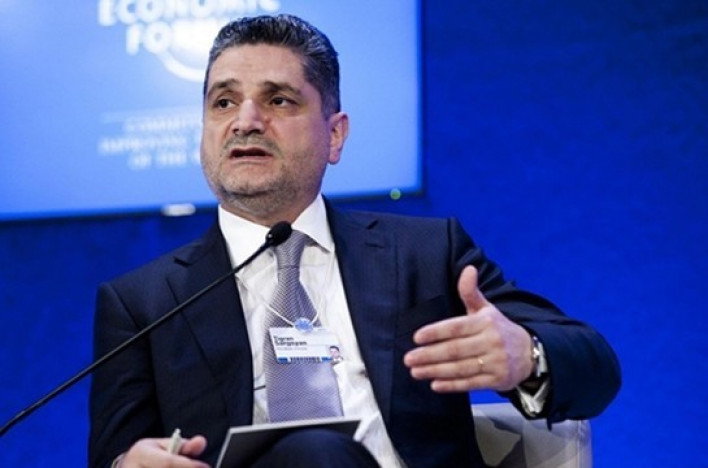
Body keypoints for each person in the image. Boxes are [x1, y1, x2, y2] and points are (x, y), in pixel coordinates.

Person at [89, 14, 620, 468]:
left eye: (278, 100)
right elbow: (116, 456)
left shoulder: (424, 255)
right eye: (223, 102)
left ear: (335, 134)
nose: (245, 122)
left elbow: (596, 368)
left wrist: (525, 355)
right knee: (313, 451)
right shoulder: (144, 304)